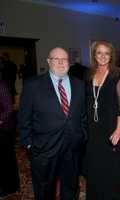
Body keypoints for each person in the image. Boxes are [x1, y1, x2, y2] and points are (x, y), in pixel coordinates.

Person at [18, 47, 87, 200]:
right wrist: (30, 145)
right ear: (49, 61)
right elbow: (24, 120)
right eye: (57, 59)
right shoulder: (32, 85)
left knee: (71, 188)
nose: (61, 62)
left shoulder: (80, 85)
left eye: (65, 59)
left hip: (72, 149)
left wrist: (82, 136)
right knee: (44, 191)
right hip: (44, 150)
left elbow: (83, 116)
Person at [84, 41, 120, 200]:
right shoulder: (88, 73)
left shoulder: (117, 74)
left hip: (110, 128)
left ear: (111, 56)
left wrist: (119, 129)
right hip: (93, 128)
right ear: (94, 55)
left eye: (106, 53)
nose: (102, 56)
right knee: (94, 166)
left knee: (111, 168)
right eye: (99, 53)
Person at [0, 80, 20, 198]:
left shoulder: (1, 85)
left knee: (6, 159)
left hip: (4, 129)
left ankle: (10, 187)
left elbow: (9, 109)